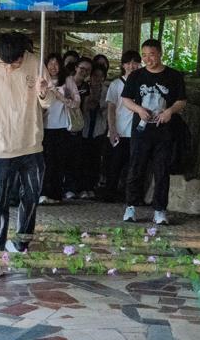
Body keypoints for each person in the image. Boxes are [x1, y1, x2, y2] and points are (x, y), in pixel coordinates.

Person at [0, 32, 51, 281]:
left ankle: (22, 245)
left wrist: (44, 92)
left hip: (32, 146)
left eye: (17, 60)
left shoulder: (35, 63)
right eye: (8, 62)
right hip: (2, 148)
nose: (13, 65)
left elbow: (48, 103)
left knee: (31, 198)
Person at [121, 39, 186, 225]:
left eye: (151, 54)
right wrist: (139, 110)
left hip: (164, 131)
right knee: (136, 167)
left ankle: (159, 210)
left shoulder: (174, 76)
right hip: (141, 130)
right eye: (144, 55)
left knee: (162, 170)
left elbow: (182, 100)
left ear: (160, 54)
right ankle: (130, 207)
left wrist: (170, 111)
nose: (148, 59)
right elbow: (126, 99)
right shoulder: (136, 76)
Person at [39, 54, 80, 204]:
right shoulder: (41, 80)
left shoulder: (68, 81)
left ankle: (56, 195)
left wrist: (60, 96)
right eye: (50, 64)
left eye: (56, 64)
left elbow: (77, 102)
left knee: (59, 161)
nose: (53, 67)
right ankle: (43, 193)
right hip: (44, 126)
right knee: (45, 161)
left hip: (62, 126)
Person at [104, 50, 142, 202]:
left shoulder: (143, 83)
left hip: (137, 131)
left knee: (134, 165)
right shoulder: (116, 84)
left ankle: (131, 196)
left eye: (135, 63)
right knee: (115, 165)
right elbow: (111, 108)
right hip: (119, 130)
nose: (132, 66)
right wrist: (112, 129)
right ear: (123, 65)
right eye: (128, 63)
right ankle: (110, 193)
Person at [62, 58, 92, 199]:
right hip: (62, 121)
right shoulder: (66, 82)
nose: (84, 72)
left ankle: (72, 188)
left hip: (77, 123)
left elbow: (84, 108)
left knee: (76, 157)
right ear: (76, 67)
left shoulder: (86, 87)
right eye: (82, 68)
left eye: (88, 70)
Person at [80, 64, 109, 198]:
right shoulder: (85, 88)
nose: (98, 78)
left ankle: (92, 187)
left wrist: (97, 104)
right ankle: (82, 187)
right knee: (83, 159)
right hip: (84, 127)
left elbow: (106, 108)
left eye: (101, 76)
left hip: (99, 129)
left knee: (95, 159)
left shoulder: (106, 91)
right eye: (95, 75)